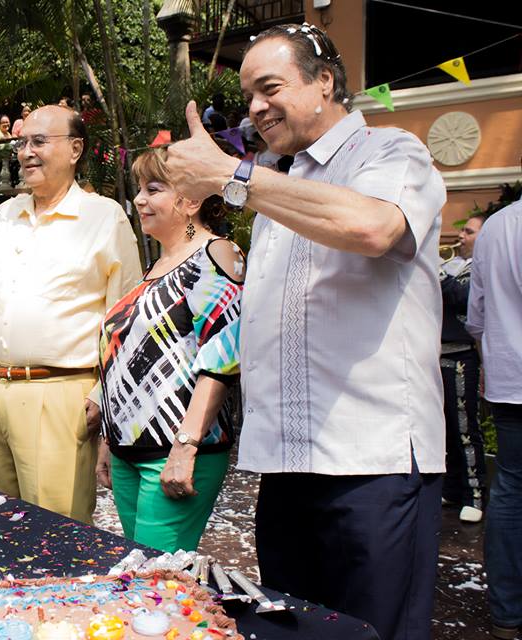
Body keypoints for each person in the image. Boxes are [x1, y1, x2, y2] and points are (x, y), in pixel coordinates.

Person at [164, 23, 446, 640]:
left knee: (373, 632)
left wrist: (233, 176)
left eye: (270, 88)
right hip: (287, 461)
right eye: (249, 96)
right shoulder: (276, 180)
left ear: (324, 82)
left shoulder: (391, 151)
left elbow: (374, 228)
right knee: (299, 631)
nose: (256, 108)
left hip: (370, 460)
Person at [0, 105, 142, 524]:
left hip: (59, 392)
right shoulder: (2, 217)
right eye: (22, 143)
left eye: (39, 142)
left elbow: (125, 321)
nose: (26, 152)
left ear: (75, 149)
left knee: (55, 532)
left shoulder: (103, 217)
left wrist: (104, 396)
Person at [95, 148, 244, 553]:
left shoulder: (216, 253)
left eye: (154, 189)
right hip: (128, 451)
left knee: (157, 576)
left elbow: (223, 358)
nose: (139, 199)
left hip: (173, 451)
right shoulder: (156, 267)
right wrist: (109, 440)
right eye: (139, 189)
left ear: (192, 200)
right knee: (138, 570)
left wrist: (186, 444)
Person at [466, 190, 522, 640]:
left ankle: (507, 610)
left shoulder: (497, 226)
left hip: (509, 376)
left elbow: (477, 314)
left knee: (510, 489)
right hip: (507, 376)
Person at [439, 212, 487, 523]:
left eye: (469, 232)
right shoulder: (453, 264)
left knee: (465, 428)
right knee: (446, 429)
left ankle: (475, 493)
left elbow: (461, 297)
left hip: (462, 357)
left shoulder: (479, 268)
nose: (461, 236)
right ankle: (454, 488)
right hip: (440, 353)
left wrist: (437, 271)